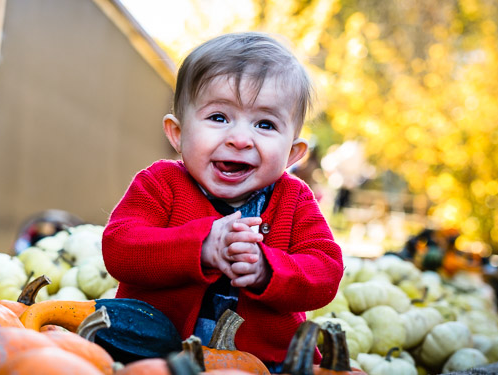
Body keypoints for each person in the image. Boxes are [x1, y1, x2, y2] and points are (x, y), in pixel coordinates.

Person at [102, 32, 343, 370]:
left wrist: (267, 270)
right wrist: (200, 246)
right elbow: (119, 248)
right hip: (155, 357)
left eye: (265, 124)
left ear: (292, 154)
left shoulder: (296, 199)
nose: (240, 139)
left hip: (263, 364)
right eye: (219, 117)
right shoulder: (160, 183)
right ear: (178, 133)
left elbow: (325, 271)